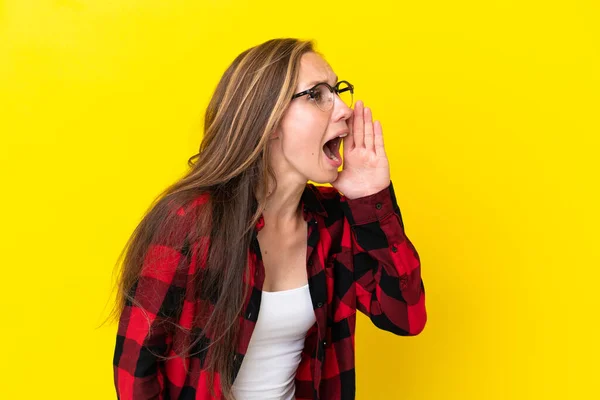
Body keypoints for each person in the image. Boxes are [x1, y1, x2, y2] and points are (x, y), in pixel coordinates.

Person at [110, 37, 427, 400]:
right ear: (268, 119)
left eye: (339, 91)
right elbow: (136, 375)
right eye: (317, 94)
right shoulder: (189, 221)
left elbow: (405, 316)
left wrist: (372, 198)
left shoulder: (331, 221)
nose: (344, 109)